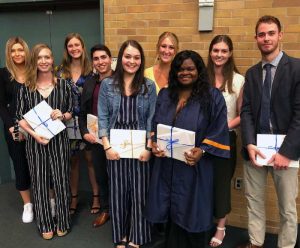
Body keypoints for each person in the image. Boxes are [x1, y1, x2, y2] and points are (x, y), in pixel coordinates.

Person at [144, 50, 230, 248]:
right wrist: (155, 143)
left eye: (190, 69)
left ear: (199, 71)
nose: (185, 73)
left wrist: (203, 150)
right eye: (180, 69)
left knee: (192, 214)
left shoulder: (212, 97)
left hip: (194, 168)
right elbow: (157, 124)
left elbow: (219, 129)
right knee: (170, 213)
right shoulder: (166, 95)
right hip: (167, 166)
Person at [239, 15, 300, 248]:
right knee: (254, 201)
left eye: (271, 33)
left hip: (286, 151)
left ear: (280, 35)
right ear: (256, 38)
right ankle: (256, 243)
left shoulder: (296, 68)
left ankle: (285, 246)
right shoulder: (252, 73)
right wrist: (249, 143)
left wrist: (287, 152)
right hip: (256, 148)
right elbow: (246, 112)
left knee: (287, 207)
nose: (266, 38)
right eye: (262, 34)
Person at [98, 40, 156, 248]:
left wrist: (149, 148)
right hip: (115, 148)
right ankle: (121, 235)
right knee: (118, 193)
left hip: (140, 147)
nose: (132, 61)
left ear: (141, 61)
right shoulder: (107, 85)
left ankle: (138, 236)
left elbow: (152, 119)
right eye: (128, 56)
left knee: (140, 193)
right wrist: (106, 146)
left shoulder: (148, 86)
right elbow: (102, 117)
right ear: (120, 58)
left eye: (136, 57)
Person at [16, 43, 73, 240]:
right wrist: (34, 135)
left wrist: (63, 115)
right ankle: (45, 223)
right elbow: (20, 117)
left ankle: (63, 220)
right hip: (35, 143)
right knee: (39, 182)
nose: (43, 61)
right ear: (34, 61)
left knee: (61, 181)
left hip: (59, 142)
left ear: (52, 59)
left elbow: (71, 110)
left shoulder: (64, 85)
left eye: (47, 57)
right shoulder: (26, 88)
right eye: (39, 58)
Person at [206, 35, 244, 247]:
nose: (219, 55)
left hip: (225, 139)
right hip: (203, 139)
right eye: (215, 50)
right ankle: (202, 221)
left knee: (221, 185)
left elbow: (242, 114)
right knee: (202, 182)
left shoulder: (238, 80)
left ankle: (221, 228)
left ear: (229, 54)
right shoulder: (202, 78)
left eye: (223, 51)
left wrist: (221, 127)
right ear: (210, 52)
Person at [56, 33, 98, 215]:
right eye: (70, 46)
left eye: (77, 45)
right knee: (72, 161)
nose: (74, 48)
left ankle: (96, 196)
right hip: (66, 122)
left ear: (82, 46)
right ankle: (74, 198)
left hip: (87, 122)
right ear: (66, 49)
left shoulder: (92, 70)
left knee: (91, 160)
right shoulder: (59, 71)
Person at [78, 44, 113, 228]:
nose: (101, 61)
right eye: (97, 58)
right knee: (101, 175)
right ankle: (106, 209)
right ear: (93, 62)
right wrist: (84, 132)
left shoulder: (121, 80)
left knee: (119, 176)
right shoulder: (90, 82)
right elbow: (82, 112)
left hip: (117, 139)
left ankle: (122, 210)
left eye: (104, 57)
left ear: (110, 59)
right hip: (96, 139)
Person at [0, 37, 33, 223]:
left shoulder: (34, 72)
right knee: (20, 165)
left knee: (42, 165)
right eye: (13, 51)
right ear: (9, 54)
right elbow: (1, 106)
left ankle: (49, 199)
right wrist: (12, 127)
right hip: (15, 129)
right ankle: (27, 205)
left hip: (37, 128)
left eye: (20, 50)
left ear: (26, 51)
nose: (17, 54)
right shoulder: (3, 74)